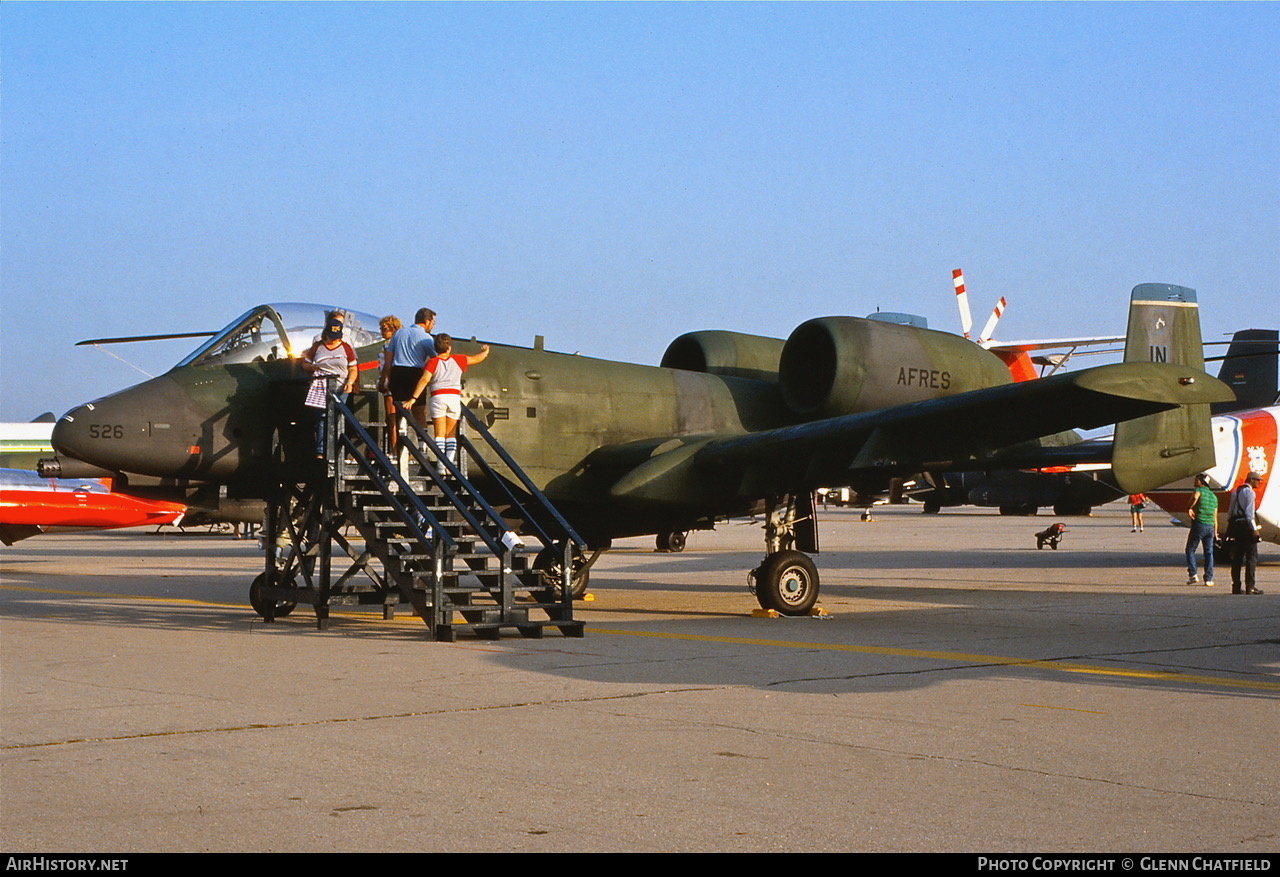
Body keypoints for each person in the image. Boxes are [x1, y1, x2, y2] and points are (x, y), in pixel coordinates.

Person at [406, 334, 489, 472]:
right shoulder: (459, 359)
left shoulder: (432, 362)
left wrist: (413, 398)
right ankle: (448, 464)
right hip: (454, 398)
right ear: (449, 347)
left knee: (440, 433)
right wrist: (485, 351)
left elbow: (424, 380)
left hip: (438, 397)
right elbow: (477, 358)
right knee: (451, 434)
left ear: (435, 348)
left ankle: (440, 464)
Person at [301, 311, 358, 457]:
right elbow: (305, 364)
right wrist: (312, 368)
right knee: (321, 417)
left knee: (338, 416)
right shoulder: (317, 346)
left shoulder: (346, 347)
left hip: (341, 386)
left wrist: (350, 382)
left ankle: (338, 450)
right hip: (321, 386)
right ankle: (321, 450)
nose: (333, 340)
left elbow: (353, 368)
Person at [387, 308, 436, 435]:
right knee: (419, 412)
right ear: (427, 321)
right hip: (415, 374)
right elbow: (436, 359)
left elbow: (388, 358)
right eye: (433, 323)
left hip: (397, 373)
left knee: (400, 411)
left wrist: (385, 378)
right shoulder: (426, 338)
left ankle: (401, 448)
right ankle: (422, 447)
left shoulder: (398, 333)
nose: (433, 326)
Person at [1225, 471, 1264, 595]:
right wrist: (1254, 529)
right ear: (1251, 480)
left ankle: (1236, 586)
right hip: (1246, 527)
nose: (1259, 482)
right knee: (1251, 557)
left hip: (1236, 525)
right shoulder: (1250, 493)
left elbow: (1230, 512)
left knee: (1237, 558)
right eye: (1258, 480)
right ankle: (1250, 586)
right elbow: (1249, 514)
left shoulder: (1235, 492)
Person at [375, 315, 403, 451]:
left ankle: (395, 448)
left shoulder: (388, 344)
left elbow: (387, 364)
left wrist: (383, 381)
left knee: (391, 417)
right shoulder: (400, 342)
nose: (381, 331)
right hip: (398, 381)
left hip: (389, 382)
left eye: (384, 328)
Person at [1185, 473, 1217, 586]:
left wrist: (1189, 507)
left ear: (1201, 481)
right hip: (1210, 526)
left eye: (1196, 479)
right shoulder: (1213, 496)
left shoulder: (1199, 490)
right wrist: (1216, 532)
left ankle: (1193, 574)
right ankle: (1208, 579)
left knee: (1190, 550)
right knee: (1209, 552)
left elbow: (1195, 497)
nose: (1195, 481)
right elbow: (1215, 516)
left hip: (1199, 524)